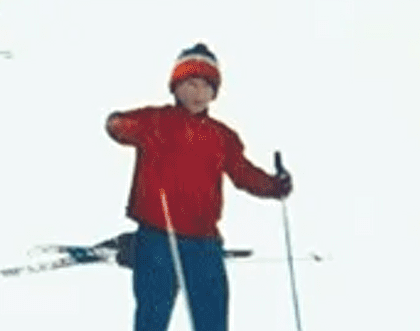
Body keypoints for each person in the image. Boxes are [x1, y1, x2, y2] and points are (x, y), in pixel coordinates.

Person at [105, 43, 293, 331]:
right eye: (191, 84)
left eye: (207, 86)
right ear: (176, 87)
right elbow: (118, 127)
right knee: (151, 320)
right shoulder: (156, 120)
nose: (198, 93)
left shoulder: (222, 137)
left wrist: (274, 186)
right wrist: (119, 124)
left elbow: (243, 174)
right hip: (157, 239)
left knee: (212, 321)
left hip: (204, 243)